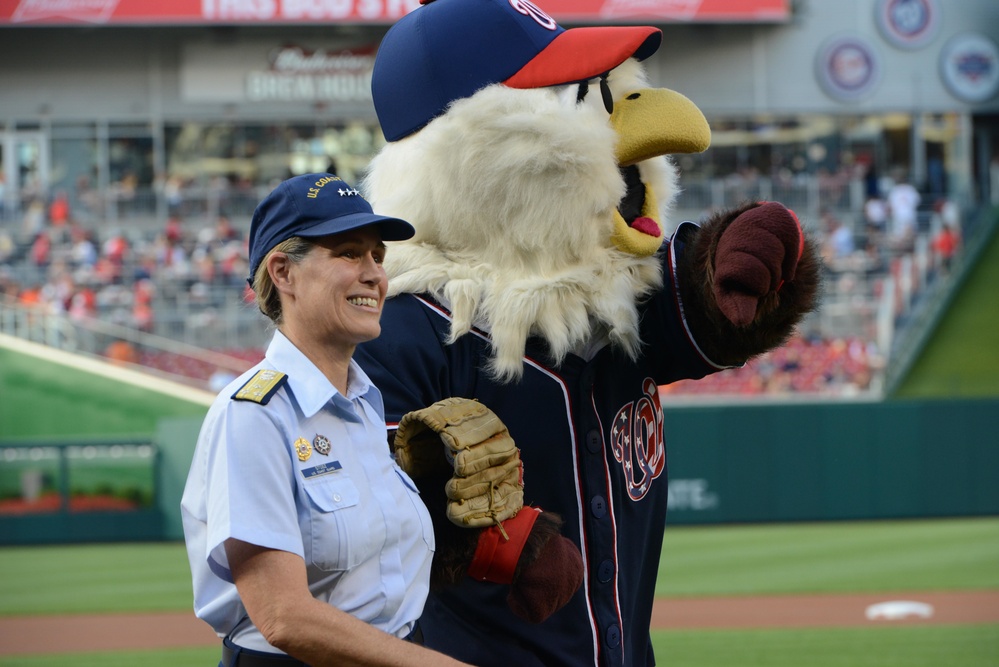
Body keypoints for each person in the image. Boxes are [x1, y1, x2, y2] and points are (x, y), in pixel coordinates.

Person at [180, 173, 474, 667]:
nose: (375, 274)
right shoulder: (254, 414)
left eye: (377, 256)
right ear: (283, 272)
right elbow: (283, 617)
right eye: (348, 253)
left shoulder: (363, 402)